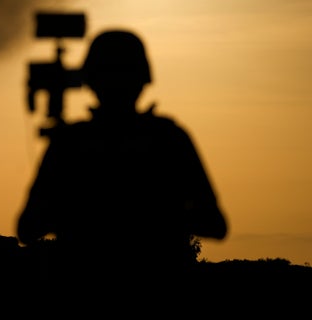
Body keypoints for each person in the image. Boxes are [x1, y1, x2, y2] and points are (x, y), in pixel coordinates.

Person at [17, 29, 227, 300]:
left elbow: (29, 227)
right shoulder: (169, 138)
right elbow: (214, 224)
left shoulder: (70, 143)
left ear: (90, 80)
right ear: (144, 79)